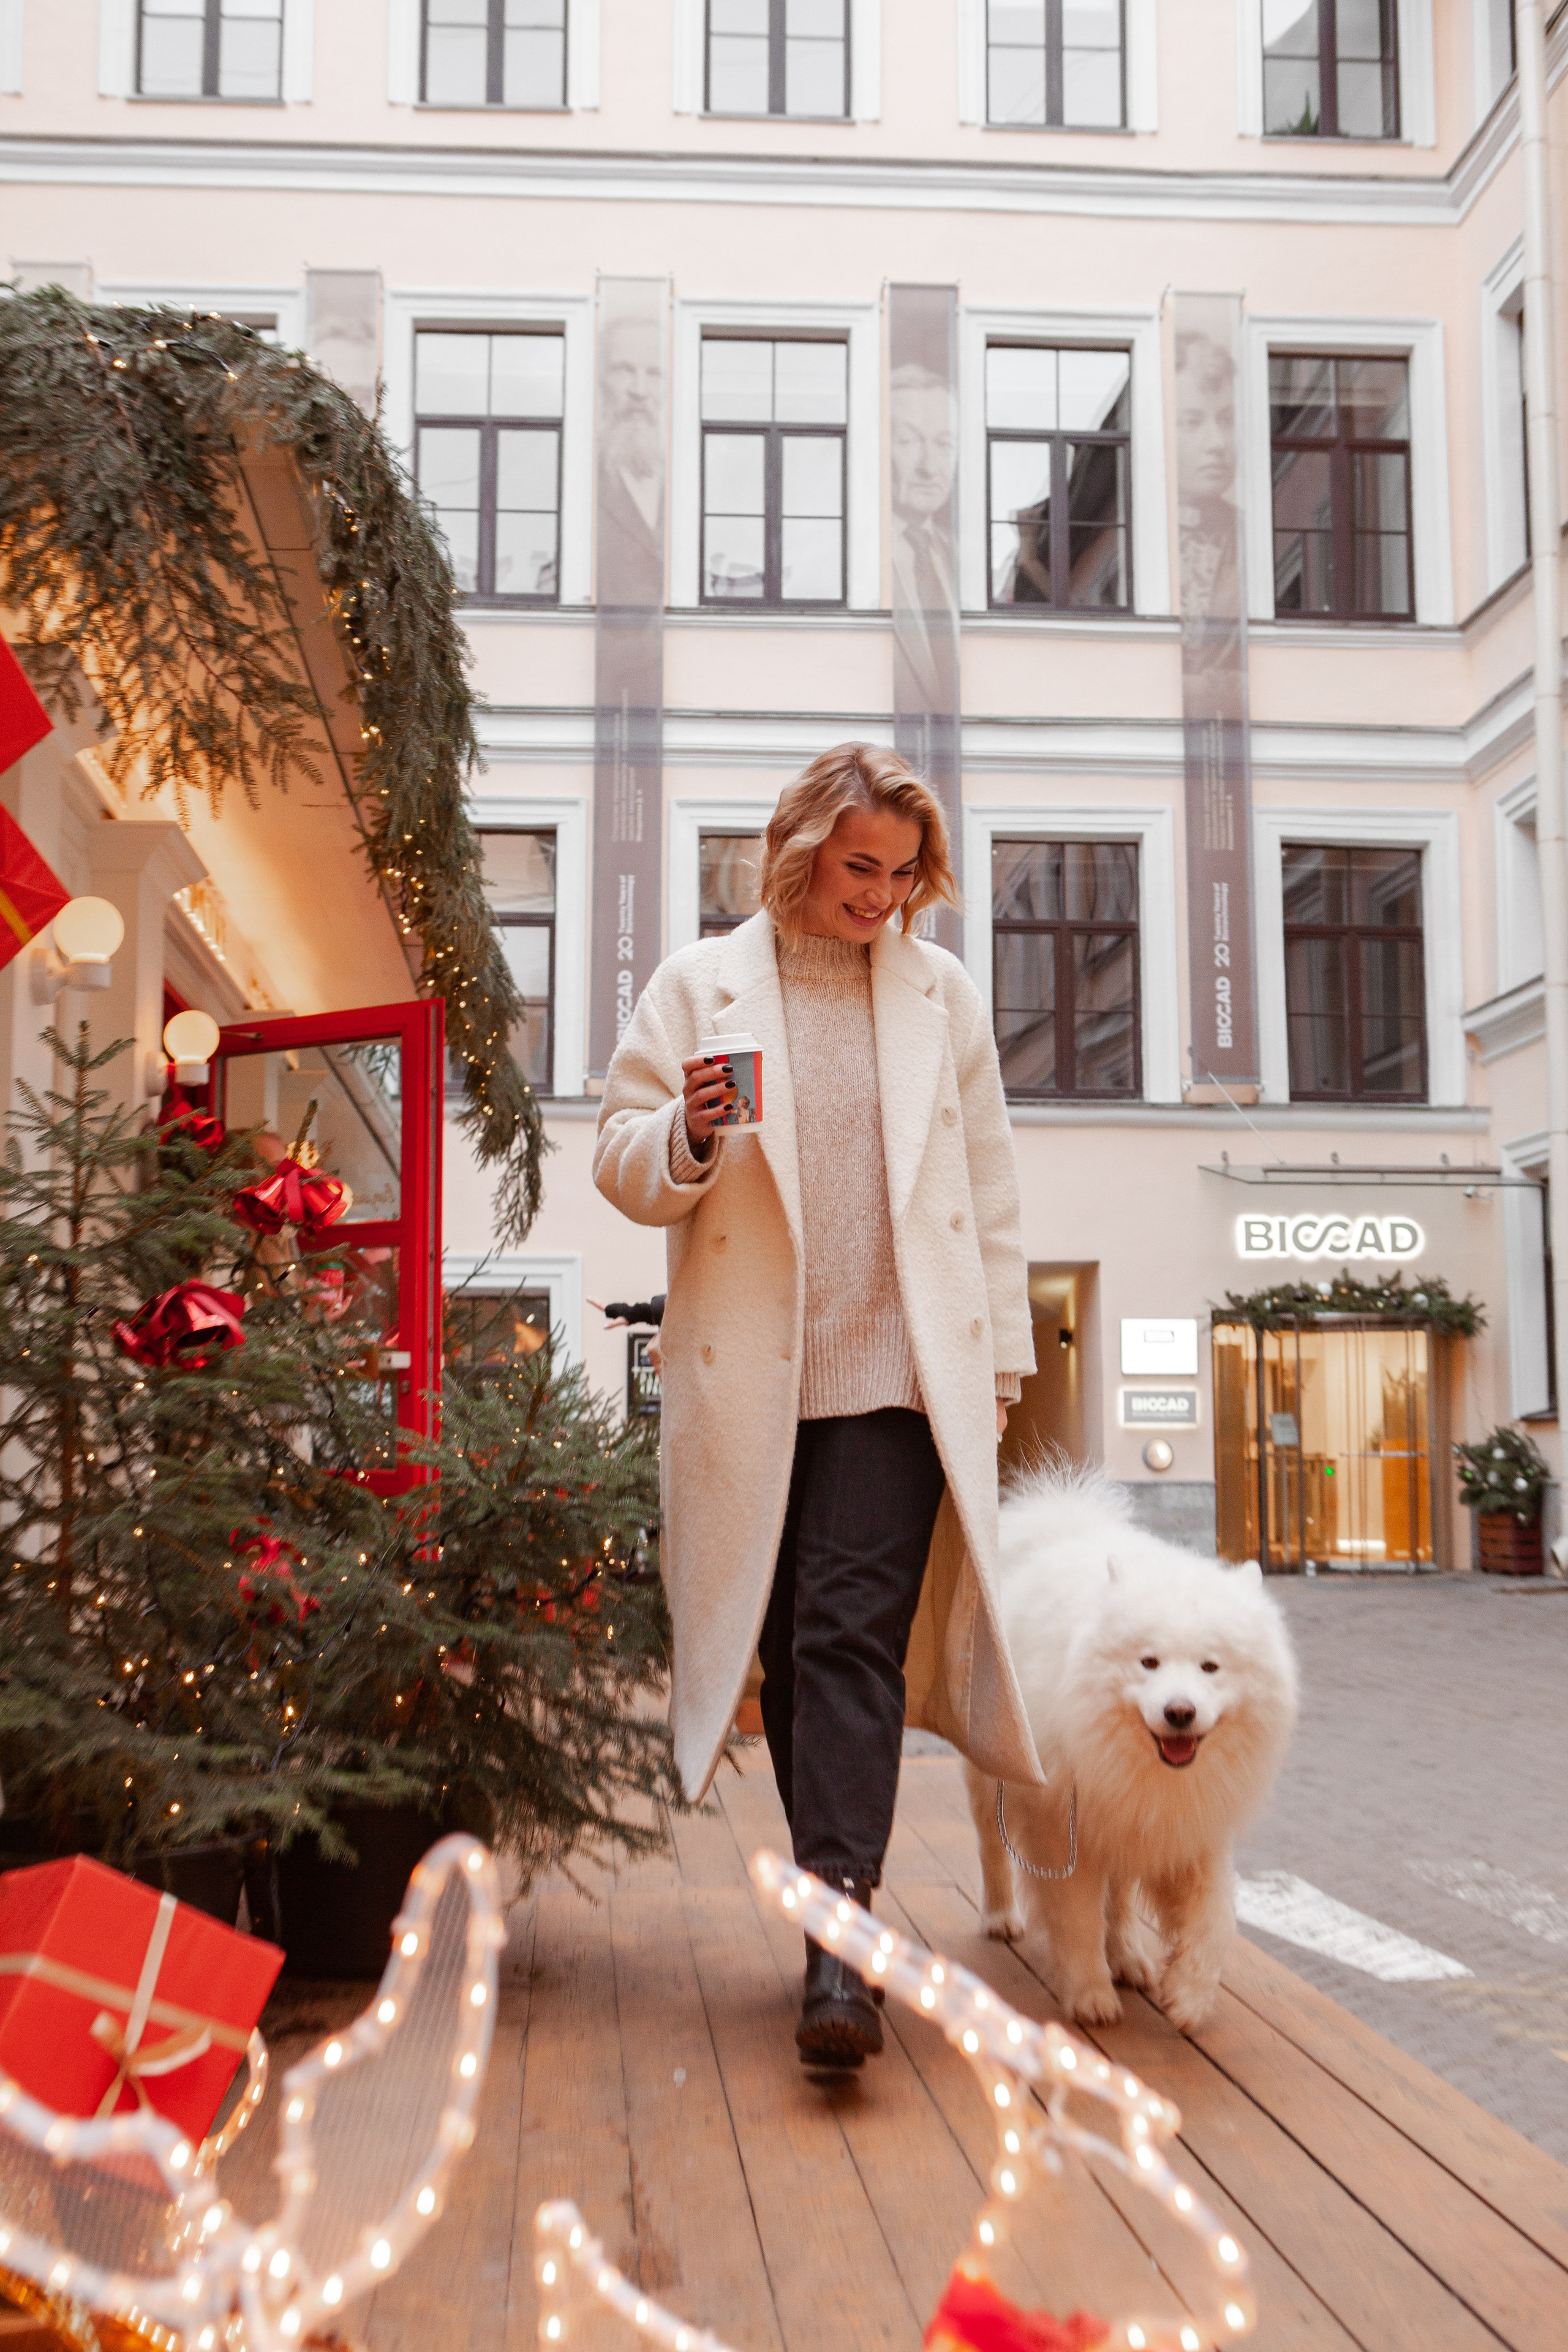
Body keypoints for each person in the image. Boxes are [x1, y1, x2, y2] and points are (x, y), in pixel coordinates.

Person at [593, 743, 1042, 2071]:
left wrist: (997, 1365)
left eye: (902, 874)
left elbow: (989, 1191)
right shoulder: (700, 986)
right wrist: (685, 1132)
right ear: (799, 848)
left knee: (848, 1637)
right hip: (754, 1378)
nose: (880, 895)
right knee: (793, 1656)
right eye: (859, 866)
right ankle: (829, 1899)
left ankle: (839, 1943)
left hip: (897, 1375)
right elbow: (619, 1162)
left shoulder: (941, 997)